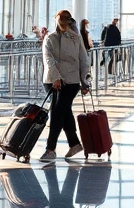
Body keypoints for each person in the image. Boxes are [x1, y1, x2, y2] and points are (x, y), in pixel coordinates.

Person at [40, 10, 91, 161]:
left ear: (69, 22)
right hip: (51, 81)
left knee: (57, 112)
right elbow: (48, 59)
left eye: (64, 23)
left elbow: (83, 60)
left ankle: (50, 149)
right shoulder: (50, 38)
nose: (61, 26)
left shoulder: (75, 38)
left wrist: (85, 81)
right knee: (64, 111)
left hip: (71, 81)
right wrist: (55, 77)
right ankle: (74, 143)